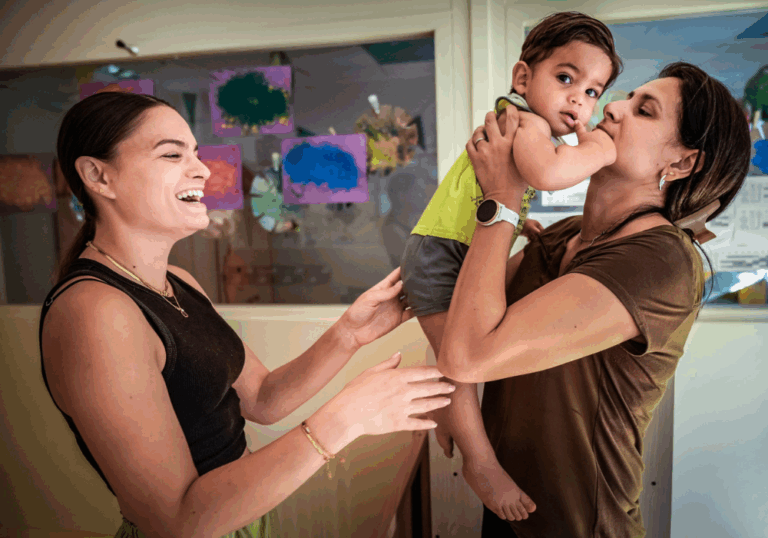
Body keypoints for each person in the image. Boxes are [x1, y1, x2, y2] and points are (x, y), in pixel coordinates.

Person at [39, 91, 457, 538]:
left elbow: (262, 398)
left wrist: (348, 334)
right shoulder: (94, 311)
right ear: (98, 176)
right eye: (172, 154)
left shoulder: (179, 281)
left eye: (196, 153)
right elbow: (174, 520)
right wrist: (345, 418)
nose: (202, 170)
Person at [438, 61, 750, 537]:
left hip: (584, 524)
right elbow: (453, 321)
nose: (612, 109)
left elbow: (466, 355)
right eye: (625, 97)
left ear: (682, 163)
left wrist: (503, 197)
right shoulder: (561, 235)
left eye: (644, 110)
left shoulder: (660, 260)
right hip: (506, 510)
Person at [400, 11, 622, 521]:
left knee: (458, 355)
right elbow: (545, 174)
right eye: (565, 78)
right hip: (441, 255)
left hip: (453, 247)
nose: (578, 100)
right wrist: (598, 147)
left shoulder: (521, 120)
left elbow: (496, 189)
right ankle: (480, 463)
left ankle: (451, 415)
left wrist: (519, 223)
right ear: (523, 78)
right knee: (459, 364)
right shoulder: (527, 122)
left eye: (592, 91)